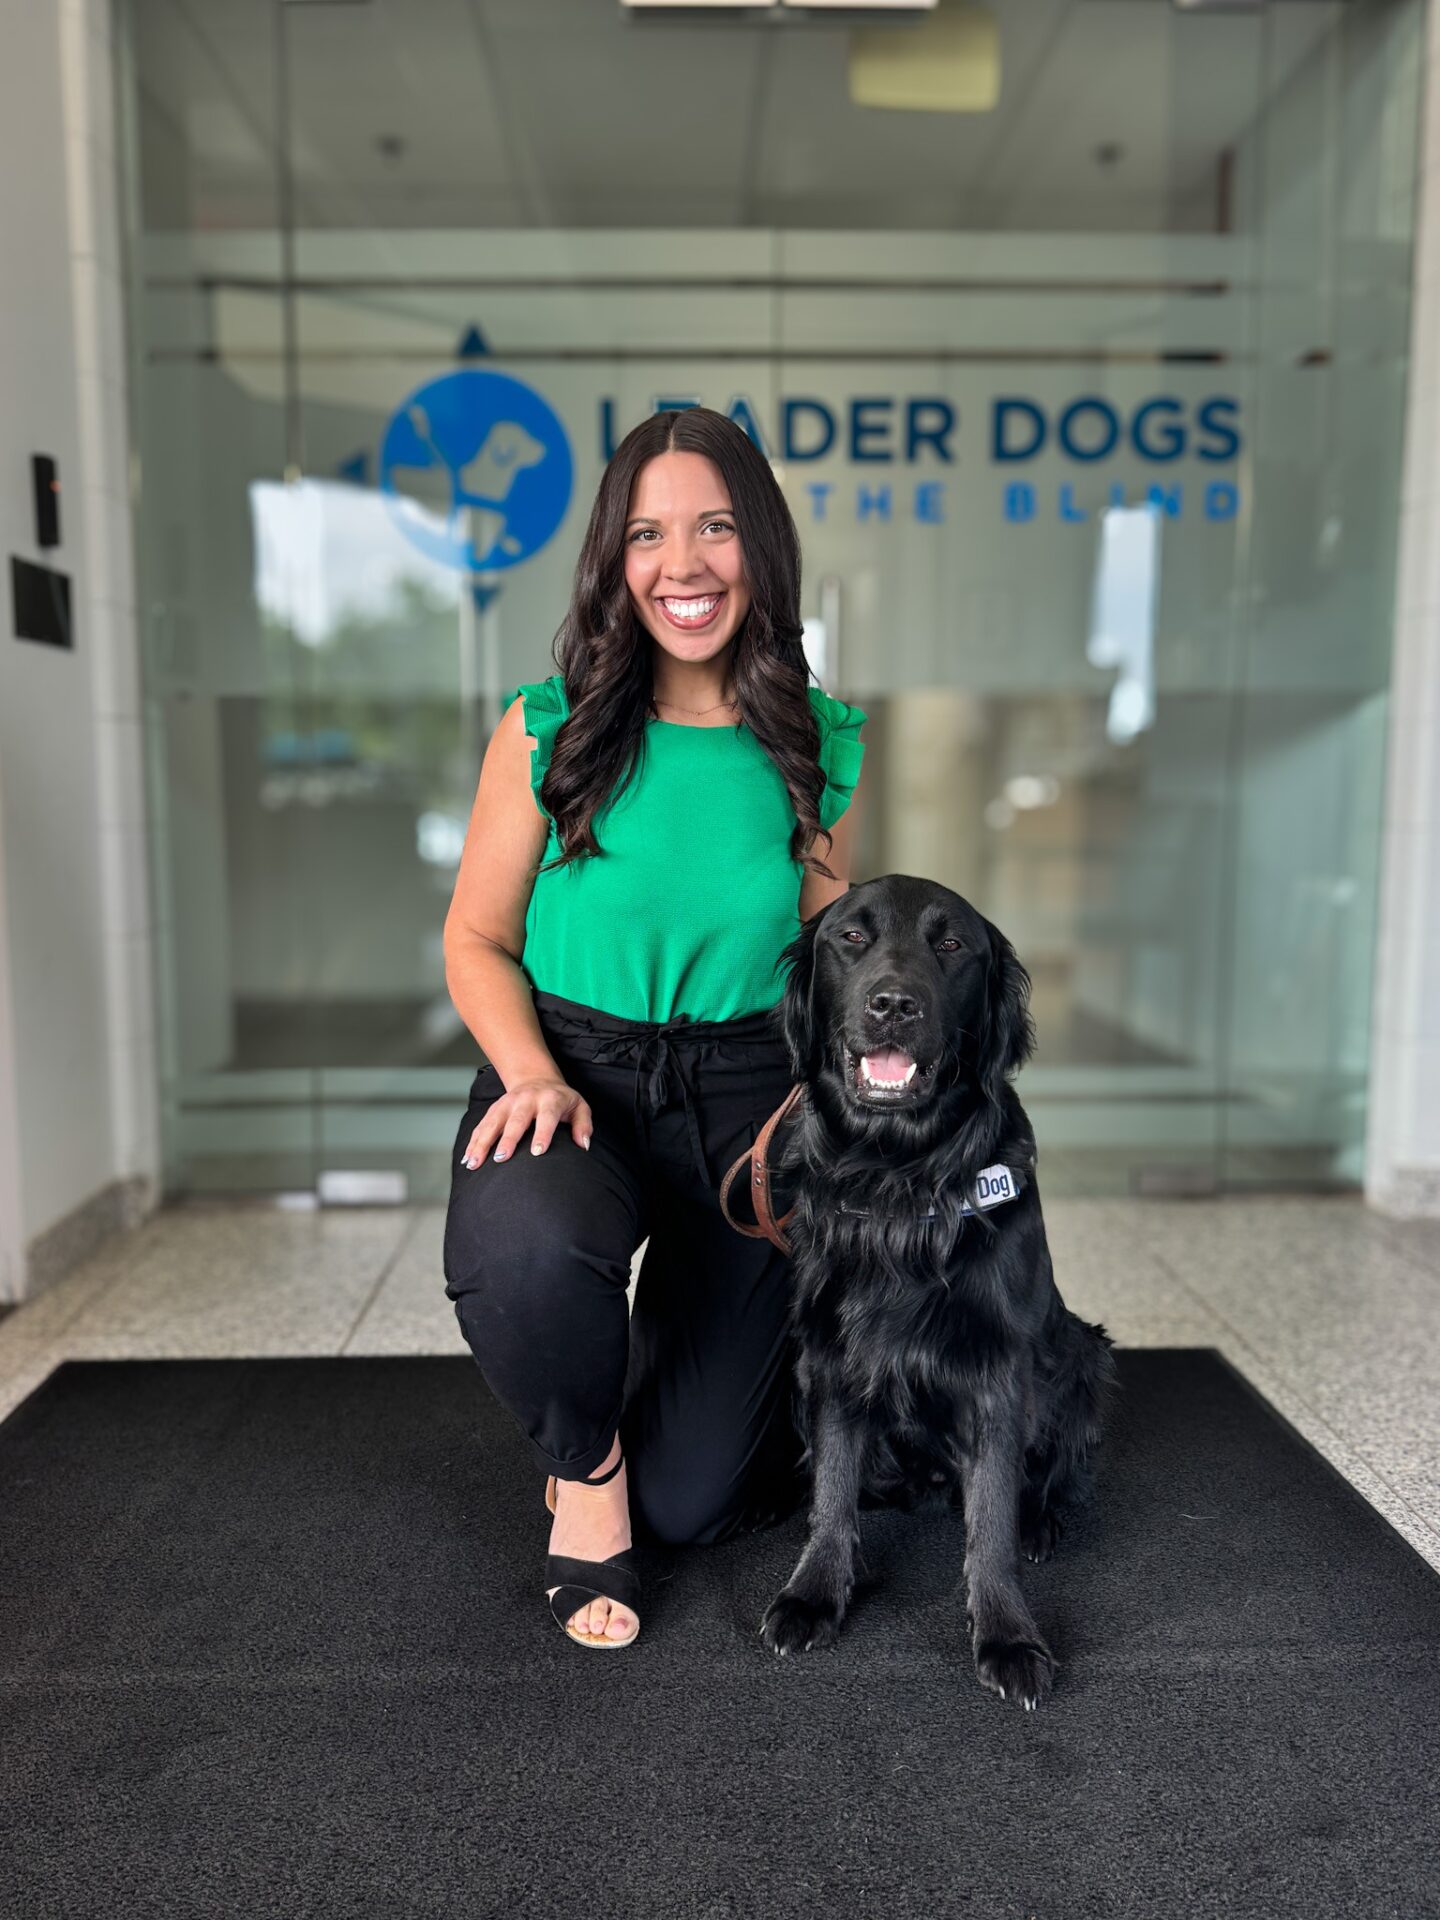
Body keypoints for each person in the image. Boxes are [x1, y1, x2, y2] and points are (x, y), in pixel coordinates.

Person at [440, 405, 868, 1650]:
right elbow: (474, 938)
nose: (685, 565)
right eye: (649, 533)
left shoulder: (820, 740)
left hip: (747, 1091)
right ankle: (585, 1468)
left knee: (692, 1507)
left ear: (762, 549)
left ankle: (639, 1413)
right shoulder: (546, 726)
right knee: (527, 1254)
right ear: (612, 561)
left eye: (717, 527)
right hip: (570, 1062)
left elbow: (819, 919)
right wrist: (527, 1072)